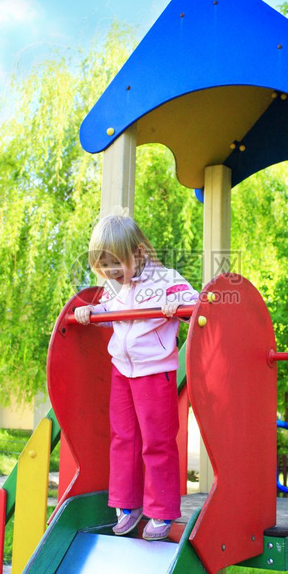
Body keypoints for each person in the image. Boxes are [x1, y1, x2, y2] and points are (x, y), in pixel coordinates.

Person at [74, 213, 198, 541]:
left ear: (139, 252)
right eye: (105, 268)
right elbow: (108, 311)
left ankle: (161, 511)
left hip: (155, 372)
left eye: (116, 264)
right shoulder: (120, 288)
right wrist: (89, 313)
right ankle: (127, 505)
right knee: (123, 437)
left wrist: (176, 305)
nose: (111, 274)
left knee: (156, 441)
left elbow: (196, 305)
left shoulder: (165, 280)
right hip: (122, 371)